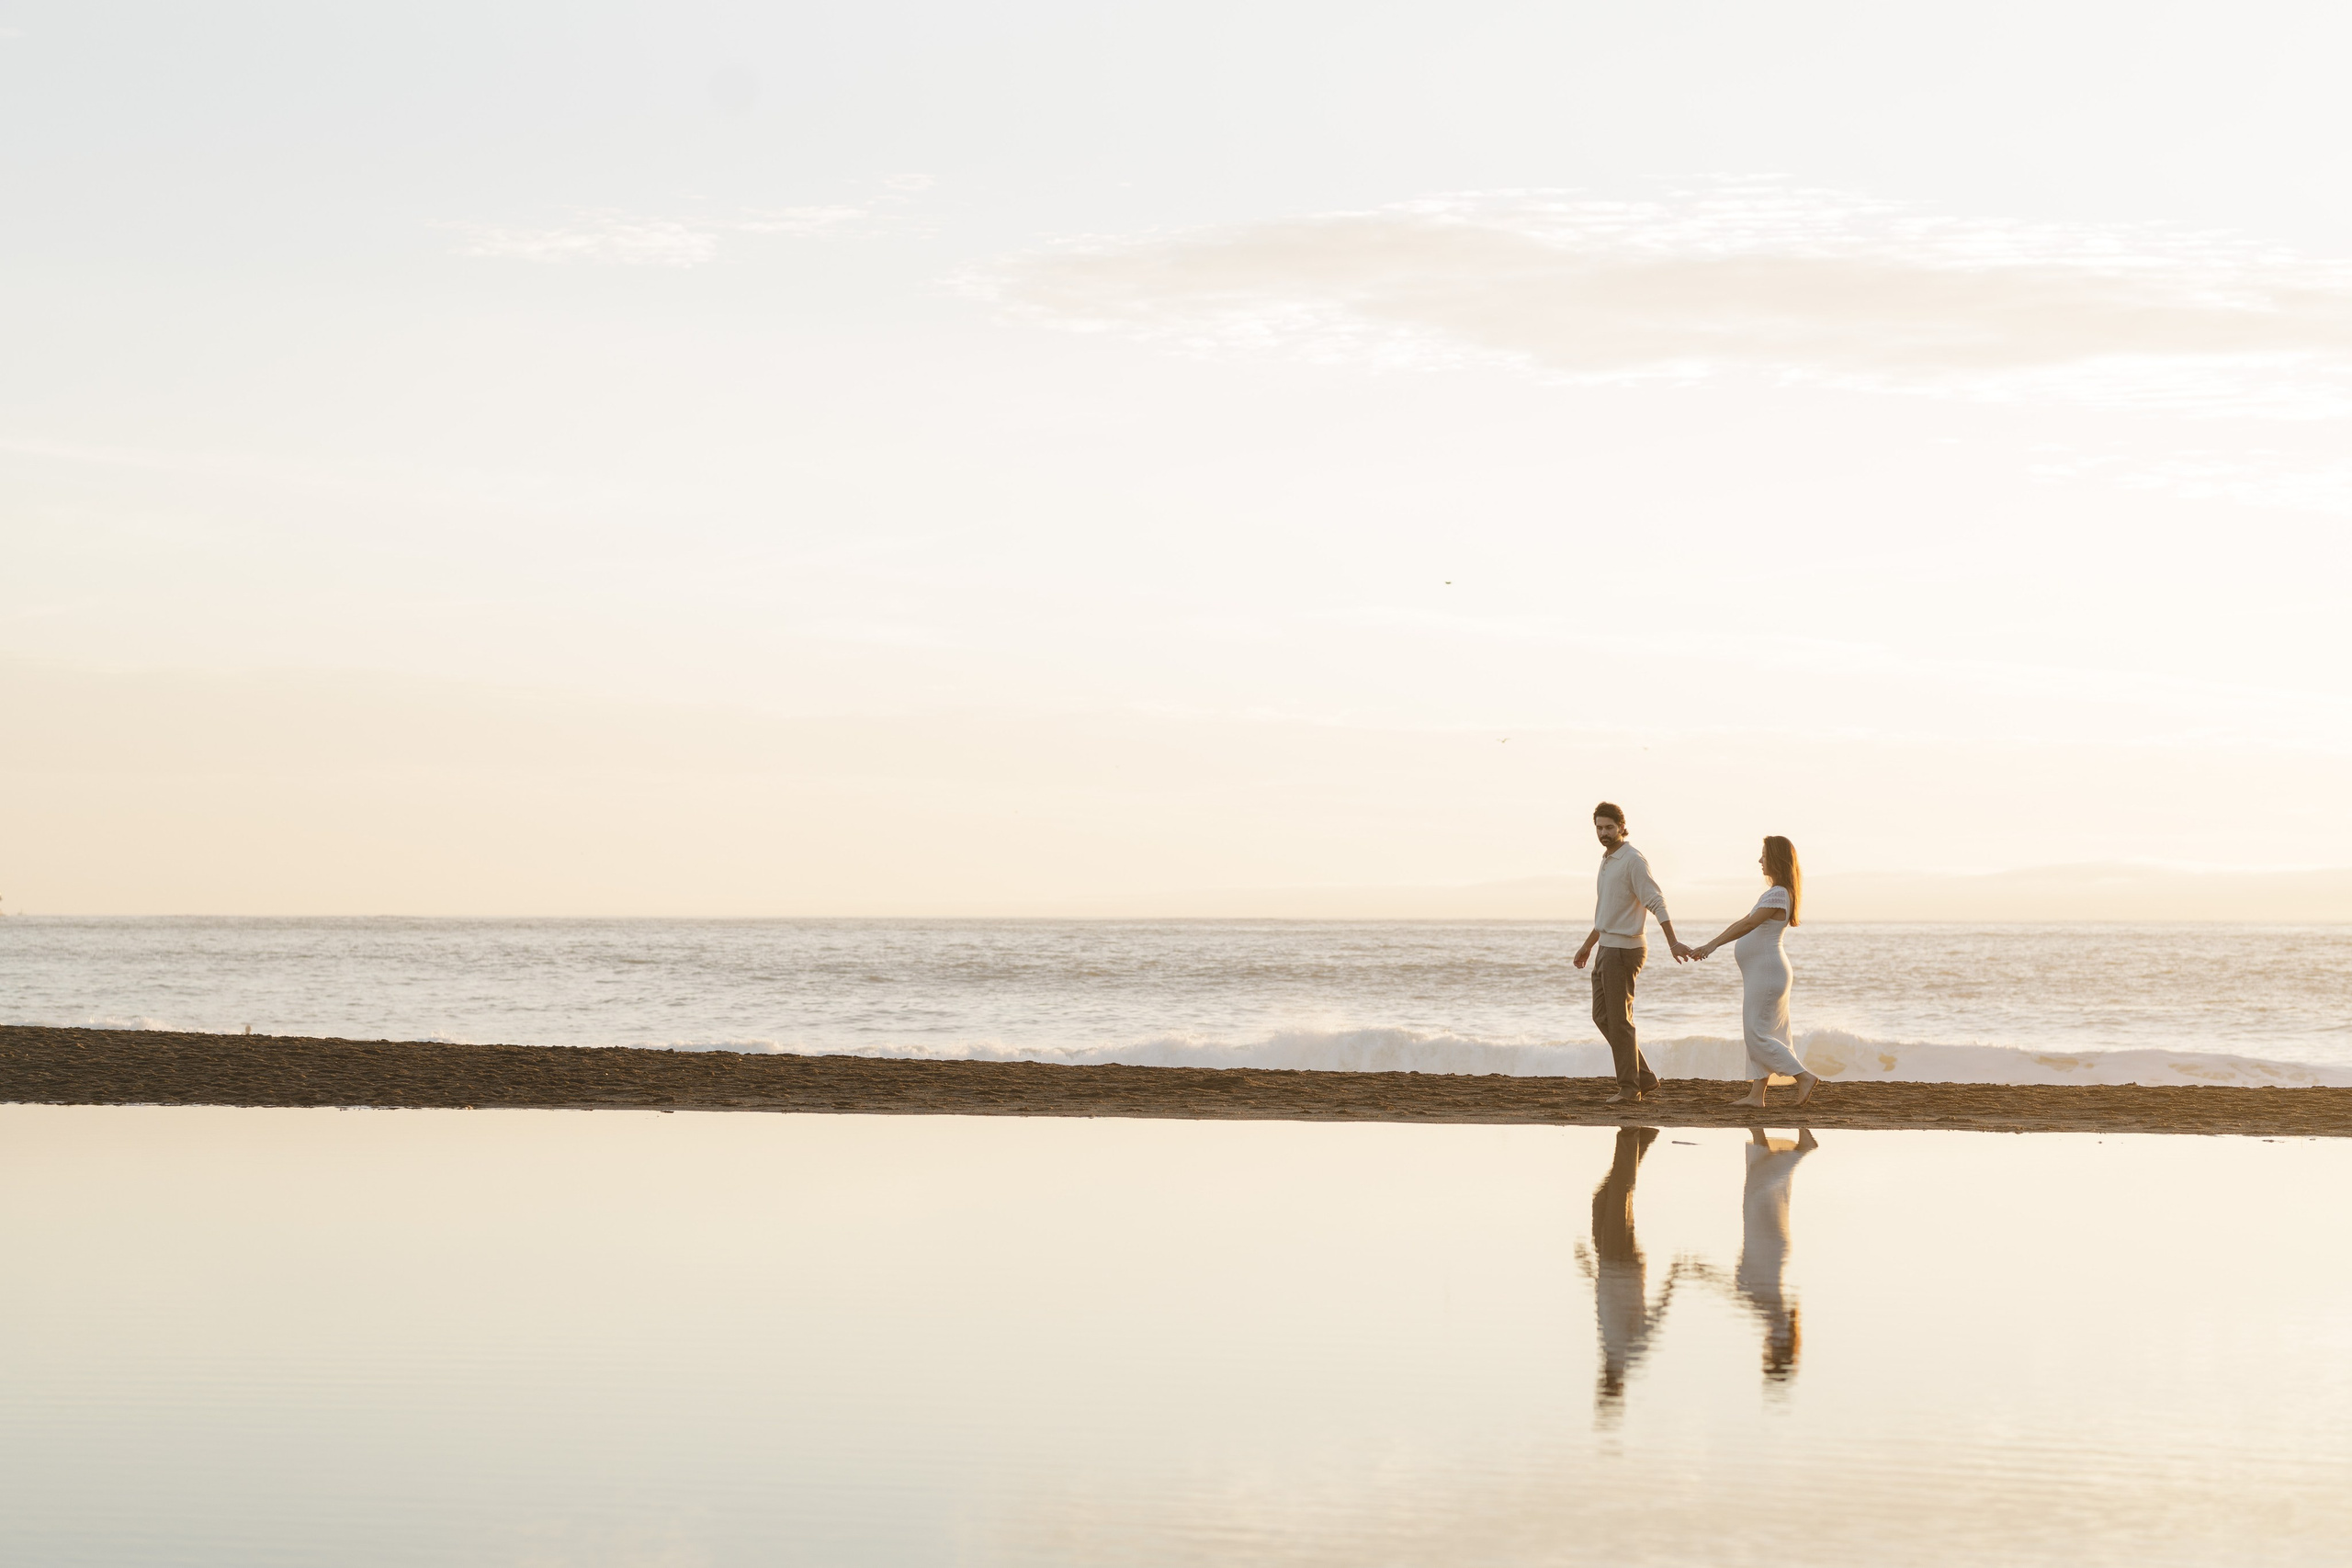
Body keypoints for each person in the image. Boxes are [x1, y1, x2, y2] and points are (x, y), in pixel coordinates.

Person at [1571, 801, 1692, 1104]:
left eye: (1609, 828)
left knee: (1620, 1020)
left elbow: (1657, 902)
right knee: (1602, 1016)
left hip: (1624, 951)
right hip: (1606, 948)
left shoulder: (1633, 860)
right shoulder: (1608, 859)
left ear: (1622, 827)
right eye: (1599, 828)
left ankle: (1629, 1088)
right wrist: (1588, 945)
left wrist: (1673, 942)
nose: (1604, 833)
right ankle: (1646, 1078)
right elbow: (1608, 912)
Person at [1691, 835, 1817, 1107]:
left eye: (1764, 855)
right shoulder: (1779, 893)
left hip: (1768, 973)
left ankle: (1803, 1076)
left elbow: (1749, 924)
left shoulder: (1778, 893)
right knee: (1764, 1031)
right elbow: (1746, 922)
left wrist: (1712, 945)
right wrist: (1710, 944)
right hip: (1764, 972)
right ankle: (1756, 1096)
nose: (1760, 860)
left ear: (1777, 859)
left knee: (1756, 1033)